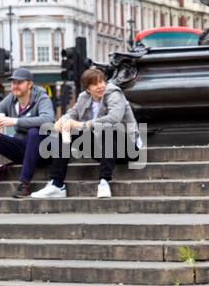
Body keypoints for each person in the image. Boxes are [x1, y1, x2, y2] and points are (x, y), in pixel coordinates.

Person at [32, 67, 139, 199]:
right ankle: (57, 185)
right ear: (88, 89)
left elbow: (114, 118)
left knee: (107, 128)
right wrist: (62, 121)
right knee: (66, 130)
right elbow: (73, 113)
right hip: (103, 150)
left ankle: (104, 182)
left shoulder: (114, 93)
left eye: (101, 82)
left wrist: (83, 124)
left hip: (127, 148)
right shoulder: (84, 97)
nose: (100, 86)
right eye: (95, 84)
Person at [0, 67, 54, 198]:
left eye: (19, 83)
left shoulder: (41, 97)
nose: (15, 86)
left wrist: (15, 121)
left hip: (43, 152)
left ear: (29, 84)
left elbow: (47, 119)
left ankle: (24, 184)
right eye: (13, 83)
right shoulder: (11, 99)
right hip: (22, 149)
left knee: (33, 132)